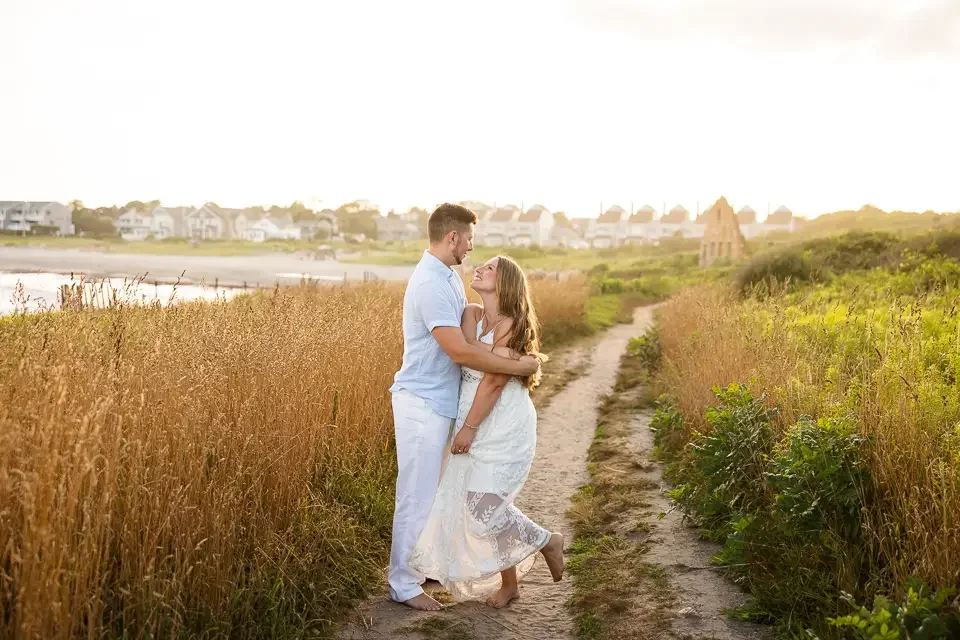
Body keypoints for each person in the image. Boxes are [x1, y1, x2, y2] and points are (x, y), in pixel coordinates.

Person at [389, 203, 541, 611]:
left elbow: (475, 340)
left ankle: (421, 571)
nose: (472, 247)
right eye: (469, 238)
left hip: (442, 403)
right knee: (416, 495)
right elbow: (460, 351)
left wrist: (515, 363)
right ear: (453, 237)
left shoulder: (448, 277)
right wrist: (521, 364)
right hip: (422, 402)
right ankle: (403, 583)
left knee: (439, 492)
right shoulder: (432, 284)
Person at [408, 254, 564, 609]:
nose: (479, 268)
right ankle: (513, 581)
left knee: (485, 505)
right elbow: (462, 355)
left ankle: (546, 541)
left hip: (503, 419)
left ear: (505, 281)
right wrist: (520, 360)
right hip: (472, 410)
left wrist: (469, 428)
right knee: (478, 503)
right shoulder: (471, 313)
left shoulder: (515, 323)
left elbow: (493, 380)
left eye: (489, 267)